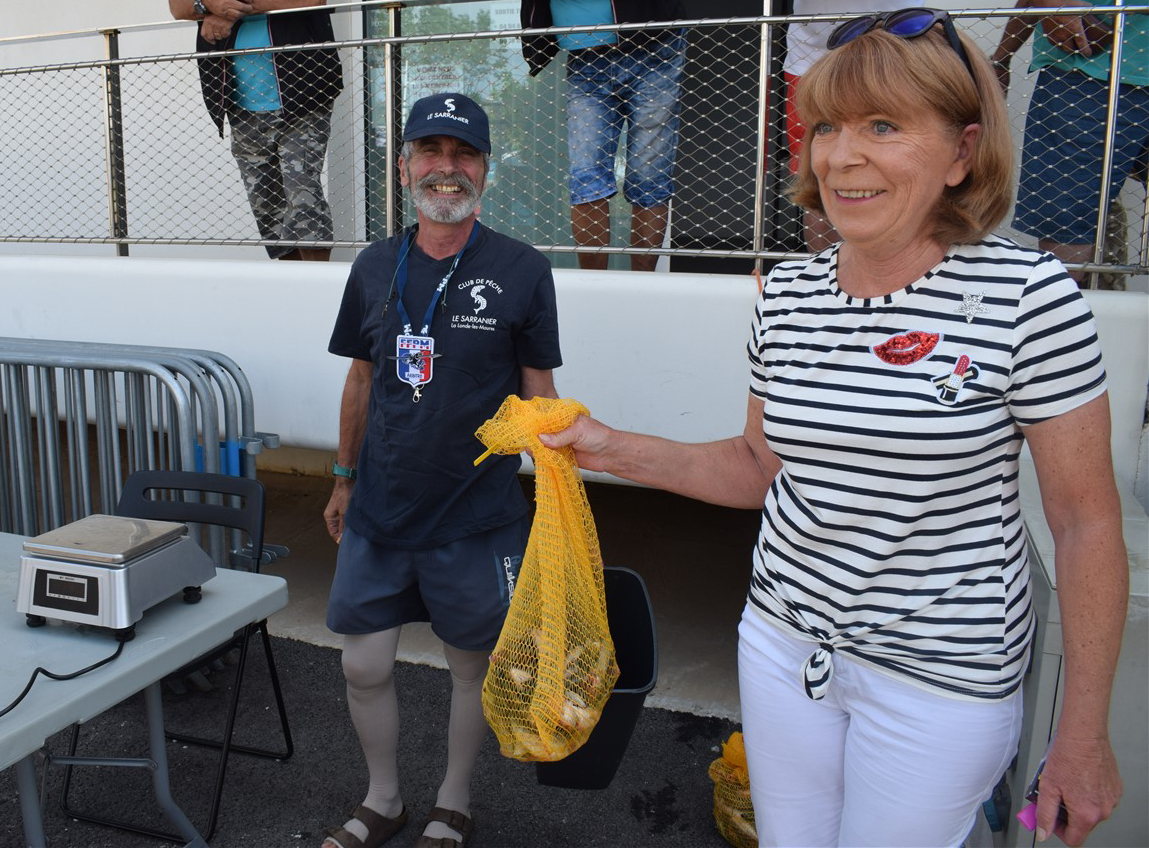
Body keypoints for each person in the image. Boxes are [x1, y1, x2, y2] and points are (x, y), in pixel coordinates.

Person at [540, 9, 1127, 846]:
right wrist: (609, 446)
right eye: (827, 127)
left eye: (883, 127)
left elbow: (1084, 521)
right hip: (783, 648)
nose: (841, 157)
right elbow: (756, 466)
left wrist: (1079, 735)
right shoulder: (786, 294)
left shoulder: (1027, 298)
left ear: (962, 152)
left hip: (941, 679)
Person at [321, 92, 562, 848]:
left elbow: (540, 397)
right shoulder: (371, 265)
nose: (446, 169)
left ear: (486, 169)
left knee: (471, 669)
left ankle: (451, 802)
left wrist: (558, 493)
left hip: (475, 512)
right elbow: (360, 381)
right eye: (430, 152)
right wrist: (341, 475)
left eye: (463, 155)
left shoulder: (522, 270)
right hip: (379, 509)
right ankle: (383, 799)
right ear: (403, 168)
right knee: (362, 665)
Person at [170, 0, 344, 261]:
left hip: (303, 95)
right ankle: (292, 289)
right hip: (241, 102)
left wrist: (228, 10)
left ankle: (315, 286)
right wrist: (208, 5)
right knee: (266, 204)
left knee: (302, 193)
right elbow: (177, 7)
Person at [519, 0, 686, 271]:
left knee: (648, 178)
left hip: (654, 44)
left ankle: (644, 290)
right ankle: (593, 285)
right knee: (586, 178)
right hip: (584, 53)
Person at [991, 0, 1148, 287]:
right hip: (1081, 69)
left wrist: (1003, 55)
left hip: (1087, 65)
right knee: (1067, 230)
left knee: (1071, 227)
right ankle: (1064, 317)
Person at [783, 1, 924, 253]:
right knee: (817, 178)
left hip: (897, 53)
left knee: (900, 168)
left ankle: (893, 269)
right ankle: (823, 273)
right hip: (811, 58)